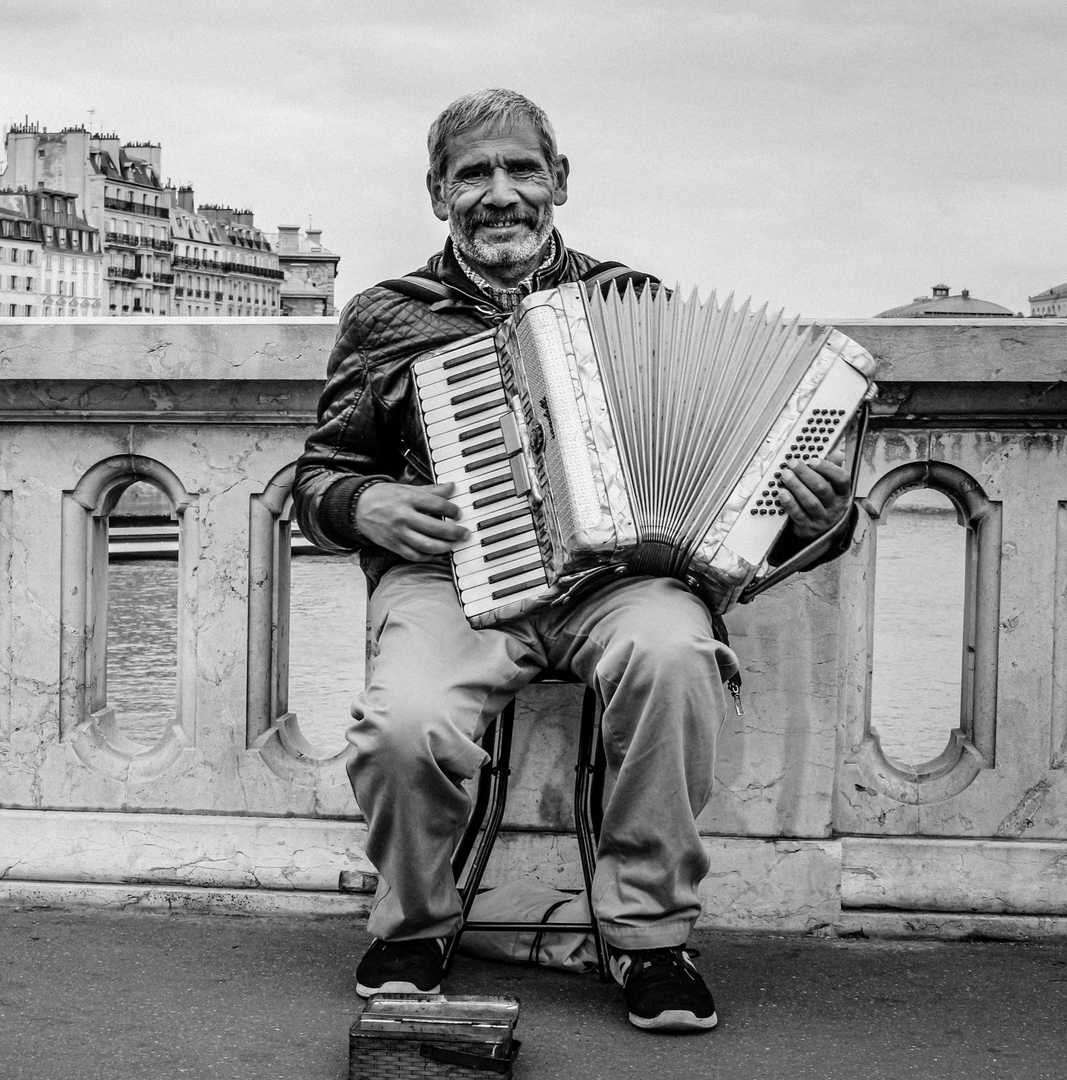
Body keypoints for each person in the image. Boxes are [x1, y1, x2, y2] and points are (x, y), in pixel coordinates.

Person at [291, 89, 856, 1033]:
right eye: (475, 174)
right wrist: (365, 500)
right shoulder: (391, 316)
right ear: (438, 193)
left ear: (559, 182)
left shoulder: (633, 302)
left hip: (620, 580)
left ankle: (651, 939)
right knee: (402, 724)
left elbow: (734, 514)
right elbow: (321, 474)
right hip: (459, 577)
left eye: (522, 169)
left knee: (674, 658)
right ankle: (416, 925)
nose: (501, 193)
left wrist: (814, 519)